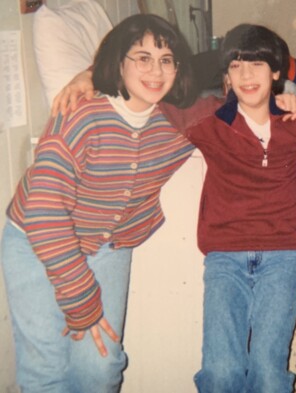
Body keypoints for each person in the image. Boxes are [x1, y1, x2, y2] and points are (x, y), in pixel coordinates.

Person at [0, 14, 199, 393]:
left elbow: (238, 83)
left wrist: (287, 83)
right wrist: (82, 300)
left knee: (102, 368)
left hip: (107, 248)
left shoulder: (173, 125)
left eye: (166, 59)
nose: (156, 70)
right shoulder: (81, 112)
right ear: (118, 63)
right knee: (47, 371)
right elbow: (43, 211)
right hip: (35, 244)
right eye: (142, 57)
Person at [177, 24, 296, 393]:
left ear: (276, 72)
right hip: (226, 255)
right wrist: (91, 77)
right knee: (221, 372)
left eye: (257, 65)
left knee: (270, 376)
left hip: (284, 254)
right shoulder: (210, 119)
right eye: (236, 66)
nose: (246, 75)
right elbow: (155, 93)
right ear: (226, 74)